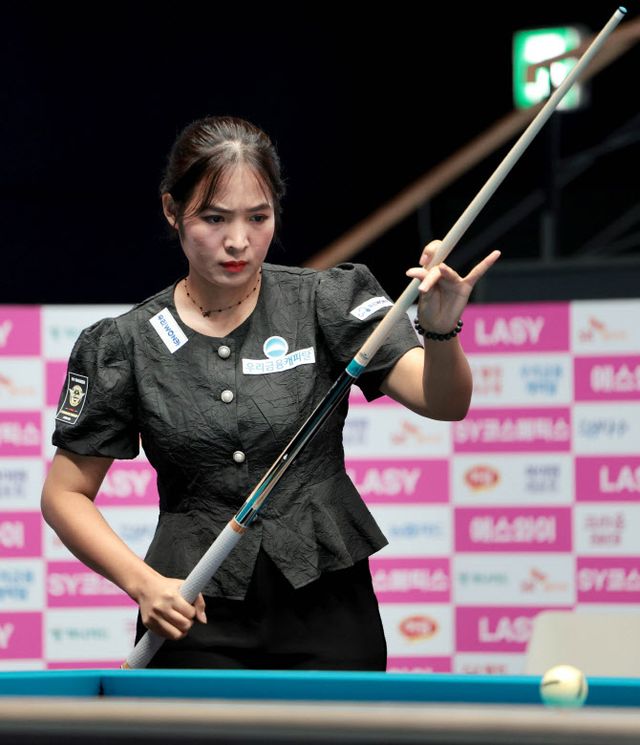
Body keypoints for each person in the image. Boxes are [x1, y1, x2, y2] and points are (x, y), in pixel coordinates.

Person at [41, 115, 500, 670]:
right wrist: (142, 583)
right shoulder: (125, 342)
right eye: (214, 218)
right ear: (172, 211)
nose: (238, 240)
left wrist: (442, 331)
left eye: (257, 217)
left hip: (328, 606)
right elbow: (64, 495)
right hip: (194, 612)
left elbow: (444, 402)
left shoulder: (327, 300)